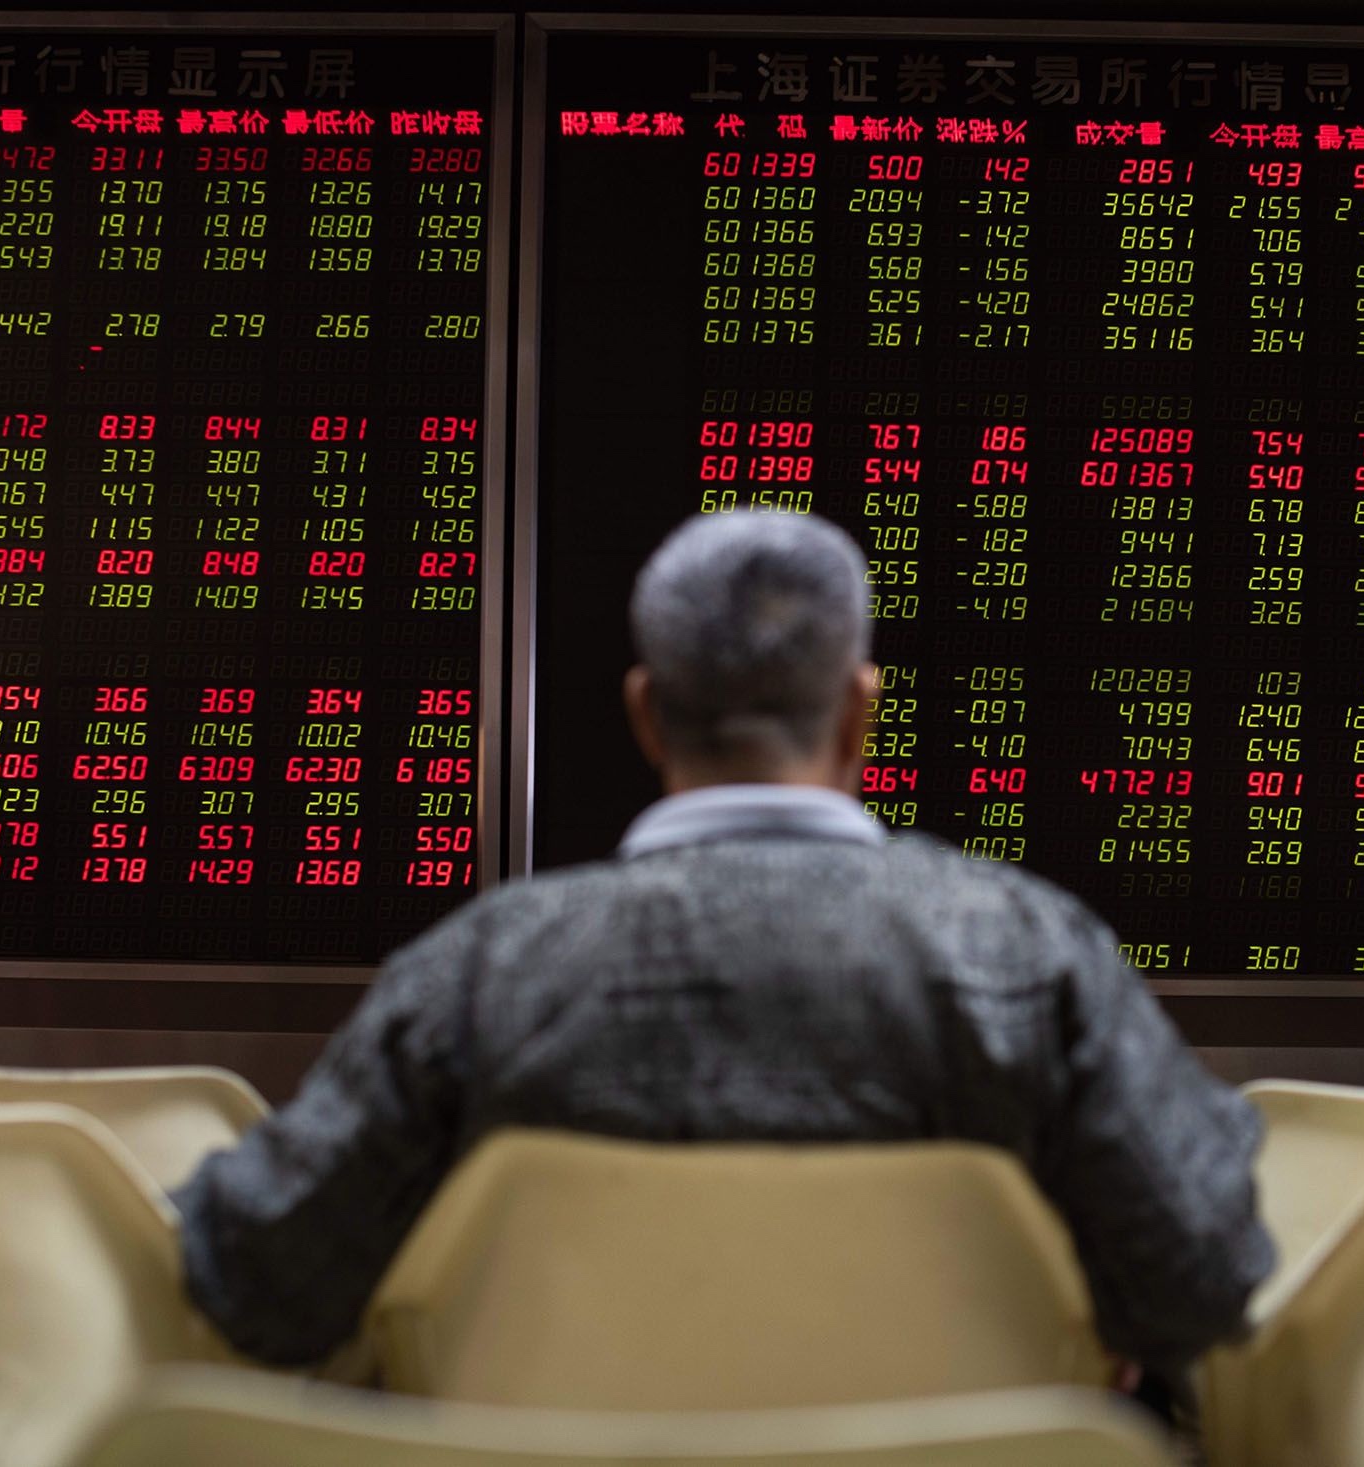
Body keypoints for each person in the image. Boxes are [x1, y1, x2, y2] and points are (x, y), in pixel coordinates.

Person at [176, 510, 1273, 1399]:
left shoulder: (478, 968)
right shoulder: (1034, 954)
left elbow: (269, 1288)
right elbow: (1201, 1283)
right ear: (859, 710)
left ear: (647, 716)